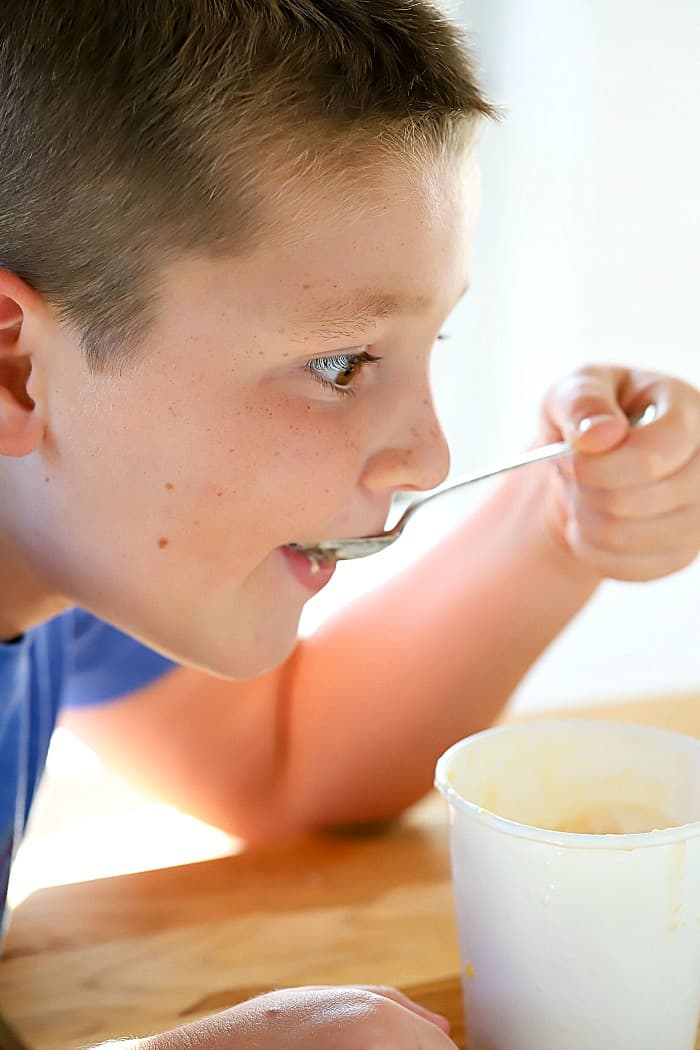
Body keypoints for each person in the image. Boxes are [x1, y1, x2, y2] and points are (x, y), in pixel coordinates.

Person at [0, 2, 698, 1047]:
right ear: (16, 368)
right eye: (340, 364)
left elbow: (283, 762)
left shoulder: (59, 541)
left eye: (433, 342)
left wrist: (557, 522)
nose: (430, 455)